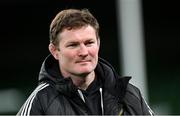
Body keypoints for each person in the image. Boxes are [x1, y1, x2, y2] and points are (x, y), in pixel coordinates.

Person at [17, 8, 154, 115]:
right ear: (54, 51)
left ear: (98, 44)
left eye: (89, 43)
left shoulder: (129, 94)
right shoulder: (40, 101)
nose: (83, 52)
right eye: (73, 45)